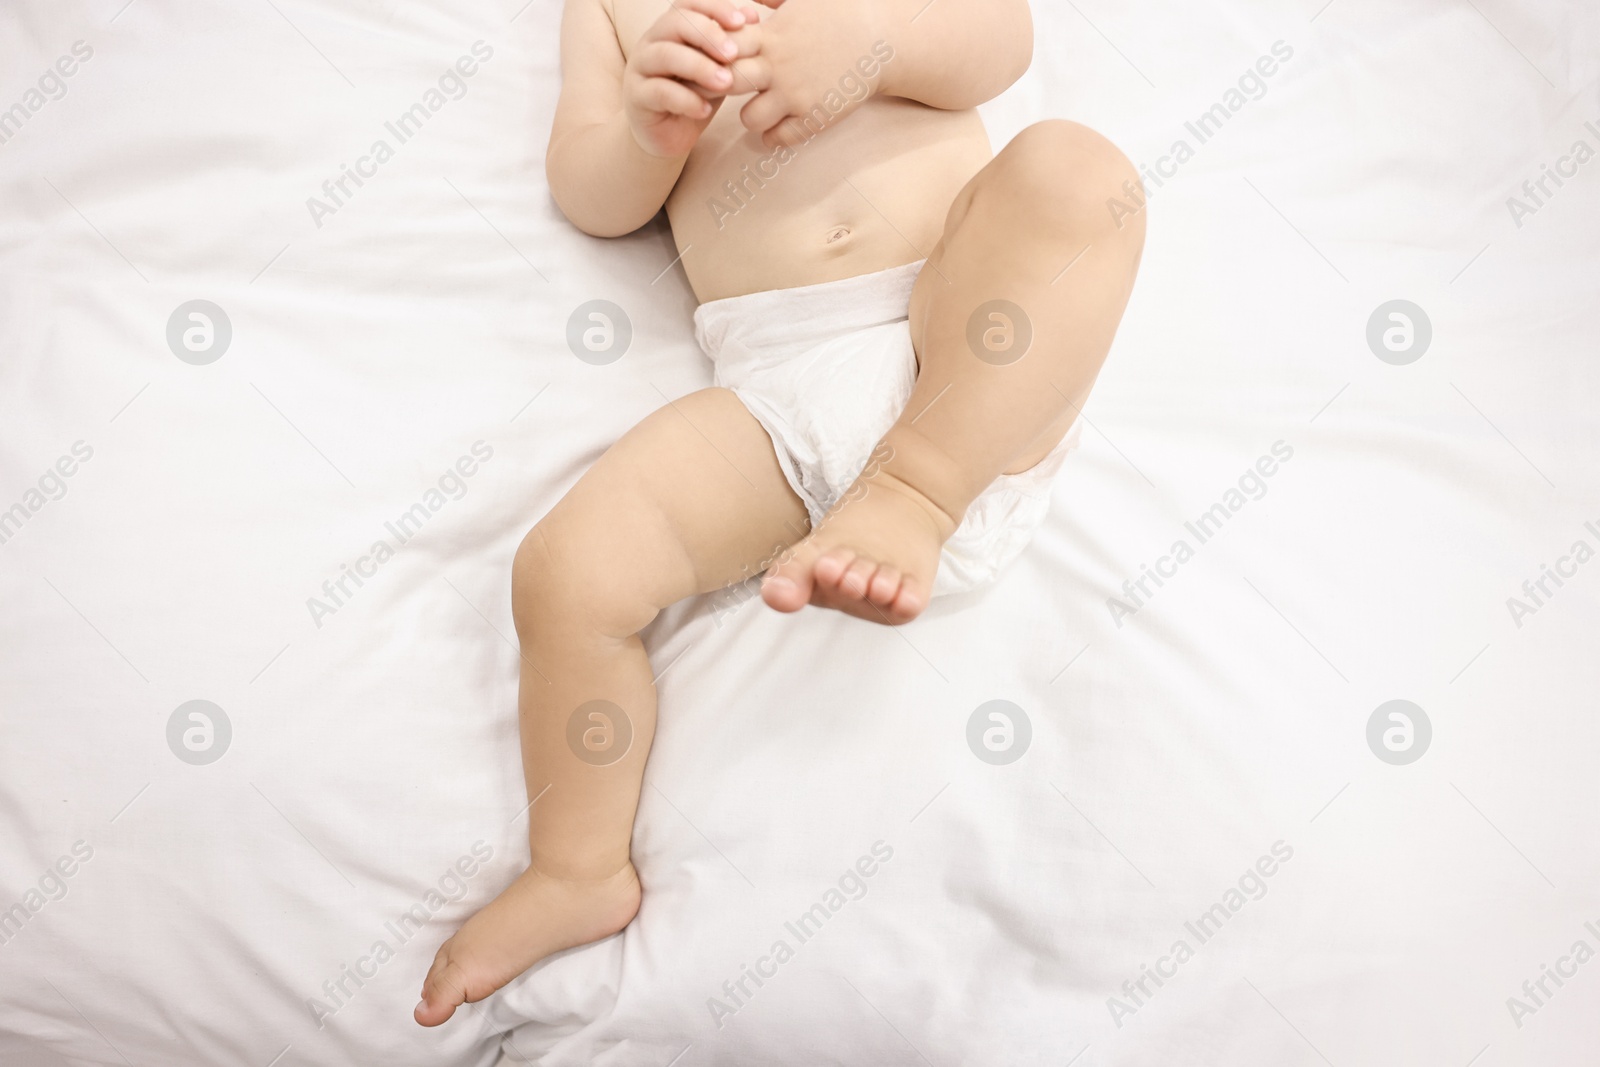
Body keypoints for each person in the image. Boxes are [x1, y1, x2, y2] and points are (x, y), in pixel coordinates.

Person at [416, 0, 1144, 1025]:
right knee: (567, 572)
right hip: (780, 386)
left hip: (960, 326)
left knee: (1075, 173)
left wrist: (871, 40)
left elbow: (998, 40)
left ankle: (917, 490)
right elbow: (587, 189)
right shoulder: (612, 12)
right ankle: (577, 864)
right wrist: (640, 133)